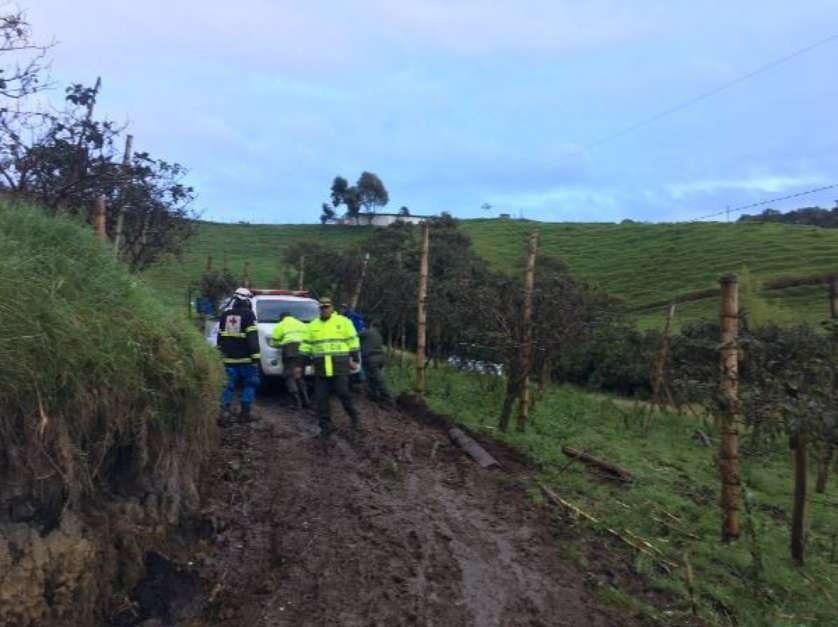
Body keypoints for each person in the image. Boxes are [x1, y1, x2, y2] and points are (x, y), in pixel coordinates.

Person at [301, 297, 362, 440]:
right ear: (319, 309)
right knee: (321, 399)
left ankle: (354, 417)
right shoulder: (312, 326)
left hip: (339, 365)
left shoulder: (343, 322)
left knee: (343, 393)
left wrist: (355, 359)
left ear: (332, 308)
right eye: (322, 307)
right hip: (321, 368)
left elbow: (353, 340)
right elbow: (306, 347)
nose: (324, 309)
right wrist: (301, 365)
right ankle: (325, 427)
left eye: (327, 307)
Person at [217, 287, 261, 424]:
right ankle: (245, 414)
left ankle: (223, 414)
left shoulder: (225, 315)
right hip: (246, 360)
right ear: (247, 300)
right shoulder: (249, 315)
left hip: (228, 359)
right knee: (250, 384)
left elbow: (220, 338)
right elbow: (252, 339)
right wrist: (256, 358)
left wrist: (220, 354)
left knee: (228, 386)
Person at [271, 311, 309, 409]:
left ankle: (296, 402)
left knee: (289, 375)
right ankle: (306, 400)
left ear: (282, 318)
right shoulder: (301, 324)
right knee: (299, 375)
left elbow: (273, 342)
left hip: (290, 350)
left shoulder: (281, 325)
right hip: (304, 351)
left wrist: (280, 344)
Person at [359, 318, 395, 408]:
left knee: (379, 380)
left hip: (372, 358)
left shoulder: (367, 332)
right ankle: (373, 395)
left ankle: (389, 400)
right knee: (372, 377)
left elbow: (354, 336)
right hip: (381, 358)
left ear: (372, 324)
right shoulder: (379, 335)